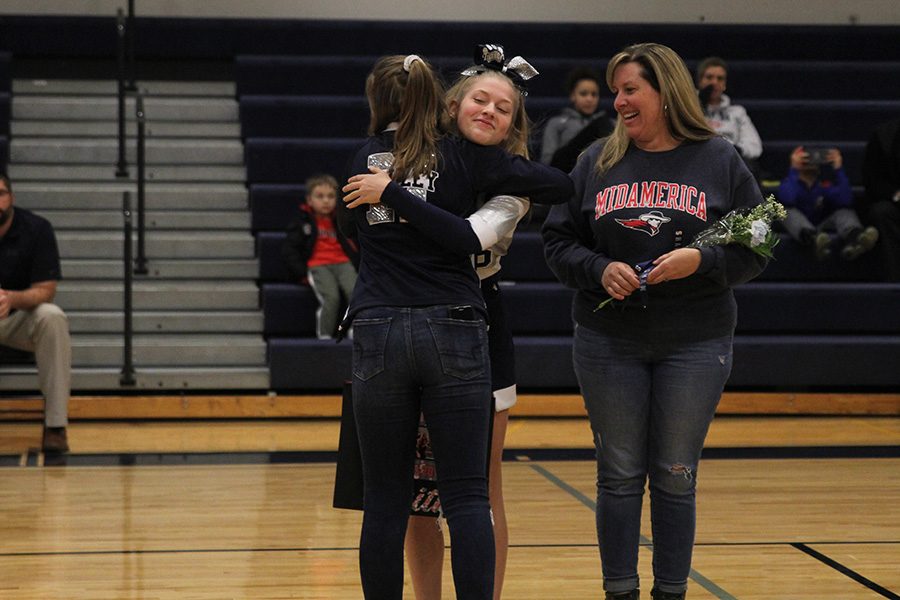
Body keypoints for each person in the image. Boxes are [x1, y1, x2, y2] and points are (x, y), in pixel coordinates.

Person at [340, 51, 572, 599]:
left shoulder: (366, 155)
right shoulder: (467, 157)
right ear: (445, 103)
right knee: (468, 496)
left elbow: (356, 229)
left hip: (379, 327)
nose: (490, 112)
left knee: (386, 499)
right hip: (455, 327)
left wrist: (393, 195)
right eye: (480, 100)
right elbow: (558, 184)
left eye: (503, 106)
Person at [541, 43, 768, 600]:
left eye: (629, 89)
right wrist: (598, 269)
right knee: (618, 476)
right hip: (609, 342)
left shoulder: (719, 158)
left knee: (674, 474)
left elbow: (759, 239)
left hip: (695, 341)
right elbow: (556, 239)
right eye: (615, 90)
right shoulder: (596, 160)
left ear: (665, 93)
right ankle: (618, 591)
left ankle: (671, 592)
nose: (617, 101)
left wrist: (704, 259)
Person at [0, 174, 71, 454]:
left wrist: (9, 298)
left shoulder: (37, 229)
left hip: (17, 318)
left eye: (1, 193)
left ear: (12, 198)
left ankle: (55, 425)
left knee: (52, 316)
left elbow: (46, 290)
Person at [282, 173, 359, 339]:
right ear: (309, 200)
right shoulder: (303, 222)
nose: (326, 201)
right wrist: (302, 272)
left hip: (343, 263)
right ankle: (324, 336)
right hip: (319, 264)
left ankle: (355, 331)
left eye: (331, 196)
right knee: (331, 297)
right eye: (320, 196)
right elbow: (290, 250)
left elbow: (354, 245)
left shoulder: (342, 220)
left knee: (355, 293)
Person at [778, 145, 878, 261]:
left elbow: (846, 200)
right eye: (807, 158)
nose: (811, 161)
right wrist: (794, 168)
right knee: (785, 211)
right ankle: (813, 238)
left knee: (843, 211)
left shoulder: (824, 186)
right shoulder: (788, 183)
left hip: (822, 226)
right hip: (799, 230)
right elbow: (787, 199)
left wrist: (838, 169)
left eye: (814, 158)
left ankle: (856, 236)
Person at [695, 56, 763, 179]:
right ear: (700, 81)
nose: (714, 82)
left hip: (728, 164)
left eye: (720, 79)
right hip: (697, 162)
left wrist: (732, 150)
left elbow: (755, 147)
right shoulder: (687, 107)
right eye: (709, 77)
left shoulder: (737, 112)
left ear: (724, 84)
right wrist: (699, 105)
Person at [540, 66, 616, 173]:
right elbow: (548, 163)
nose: (589, 99)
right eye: (583, 94)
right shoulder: (557, 123)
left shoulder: (610, 123)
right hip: (566, 173)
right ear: (572, 96)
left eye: (594, 95)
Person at [861, 117, 900, 281]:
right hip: (895, 205)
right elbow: (872, 180)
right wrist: (896, 194)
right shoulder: (885, 135)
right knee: (881, 212)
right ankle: (896, 281)